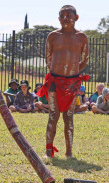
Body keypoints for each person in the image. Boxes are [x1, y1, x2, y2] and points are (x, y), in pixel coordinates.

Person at [37, 5, 90, 158]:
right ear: (58, 18)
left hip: (72, 83)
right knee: (53, 115)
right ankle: (48, 152)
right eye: (62, 16)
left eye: (69, 15)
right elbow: (48, 58)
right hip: (54, 80)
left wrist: (72, 73)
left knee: (69, 116)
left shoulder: (82, 37)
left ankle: (69, 152)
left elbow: (84, 60)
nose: (65, 18)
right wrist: (58, 72)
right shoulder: (53, 36)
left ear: (76, 17)